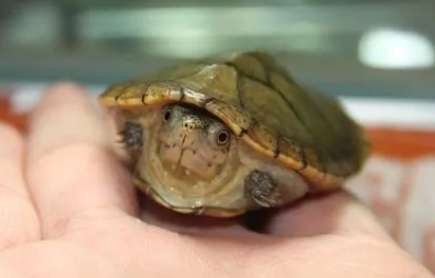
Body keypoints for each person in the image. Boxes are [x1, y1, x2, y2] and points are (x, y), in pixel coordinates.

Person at [0, 83, 432, 277]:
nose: (187, 135)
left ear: (233, 147)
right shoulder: (141, 130)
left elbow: (297, 178)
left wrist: (267, 185)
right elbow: (126, 115)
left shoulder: (261, 167)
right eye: (168, 118)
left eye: (219, 137)